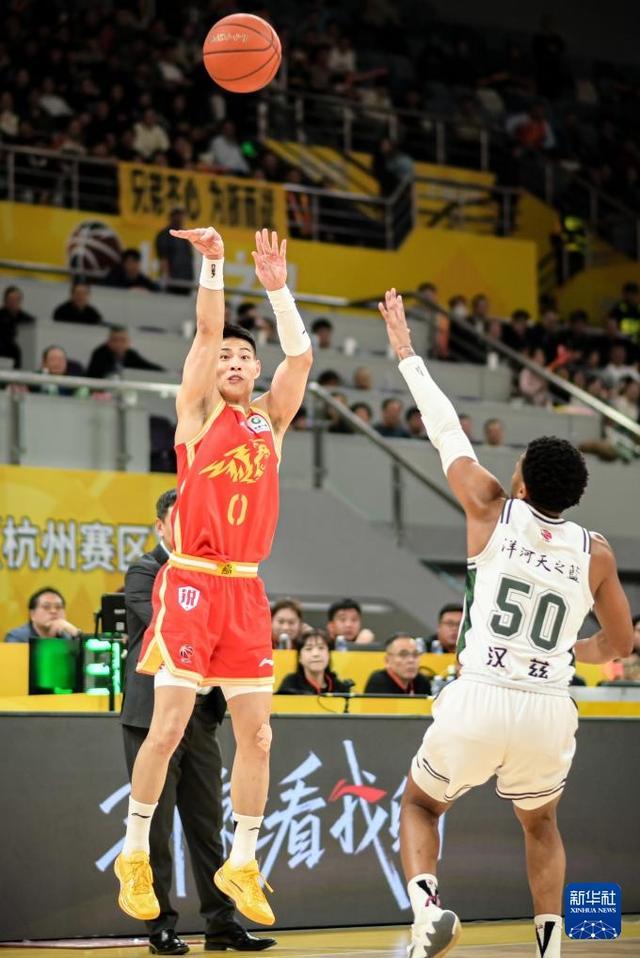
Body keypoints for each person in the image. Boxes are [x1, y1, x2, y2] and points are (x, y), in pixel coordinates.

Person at [378, 286, 633, 958]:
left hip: (480, 695)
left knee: (420, 805)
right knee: (541, 826)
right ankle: (550, 947)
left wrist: (406, 354)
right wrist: (577, 652)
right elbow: (622, 643)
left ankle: (427, 911)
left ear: (521, 483)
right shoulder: (596, 552)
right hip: (549, 706)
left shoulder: (490, 507)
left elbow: (447, 432)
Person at [115, 225, 313, 929]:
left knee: (258, 738)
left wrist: (278, 291)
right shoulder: (197, 416)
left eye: (243, 355)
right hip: (193, 581)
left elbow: (300, 356)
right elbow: (204, 332)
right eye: (226, 354)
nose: (232, 359)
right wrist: (216, 267)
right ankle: (134, 852)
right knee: (168, 726)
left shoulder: (271, 423)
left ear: (255, 371)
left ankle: (244, 861)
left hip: (246, 589)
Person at [122, 489, 275, 954]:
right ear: (162, 526)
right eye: (182, 517)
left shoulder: (231, 575)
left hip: (203, 715)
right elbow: (173, 627)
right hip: (154, 712)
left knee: (207, 823)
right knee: (159, 825)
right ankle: (160, 927)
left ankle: (222, 923)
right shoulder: (148, 570)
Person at [277, 629, 352, 694]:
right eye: (308, 649)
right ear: (300, 657)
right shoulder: (290, 685)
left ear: (329, 655)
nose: (316, 654)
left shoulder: (339, 687)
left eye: (321, 648)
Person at [4, 587, 82, 642]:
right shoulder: (17, 637)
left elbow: (87, 655)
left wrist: (76, 633)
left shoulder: (68, 636)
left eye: (58, 607)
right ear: (32, 614)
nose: (53, 611)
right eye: (46, 607)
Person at [87, 326, 164, 379]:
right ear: (108, 342)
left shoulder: (131, 354)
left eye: (123, 340)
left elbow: (146, 365)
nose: (119, 344)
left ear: (128, 342)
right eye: (115, 340)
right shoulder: (99, 353)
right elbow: (96, 376)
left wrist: (164, 372)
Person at [364, 635, 431, 695]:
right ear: (387, 661)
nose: (411, 660)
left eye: (415, 654)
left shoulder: (422, 682)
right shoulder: (378, 682)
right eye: (403, 655)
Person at [156, 208, 195, 295]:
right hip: (172, 281)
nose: (180, 218)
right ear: (171, 217)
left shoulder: (185, 236)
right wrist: (165, 278)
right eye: (177, 215)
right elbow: (163, 258)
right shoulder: (165, 235)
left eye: (182, 216)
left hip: (186, 281)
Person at [0, 285, 35, 368]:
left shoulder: (28, 319)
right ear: (5, 300)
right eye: (11, 299)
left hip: (24, 355)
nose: (14, 302)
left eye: (17, 299)